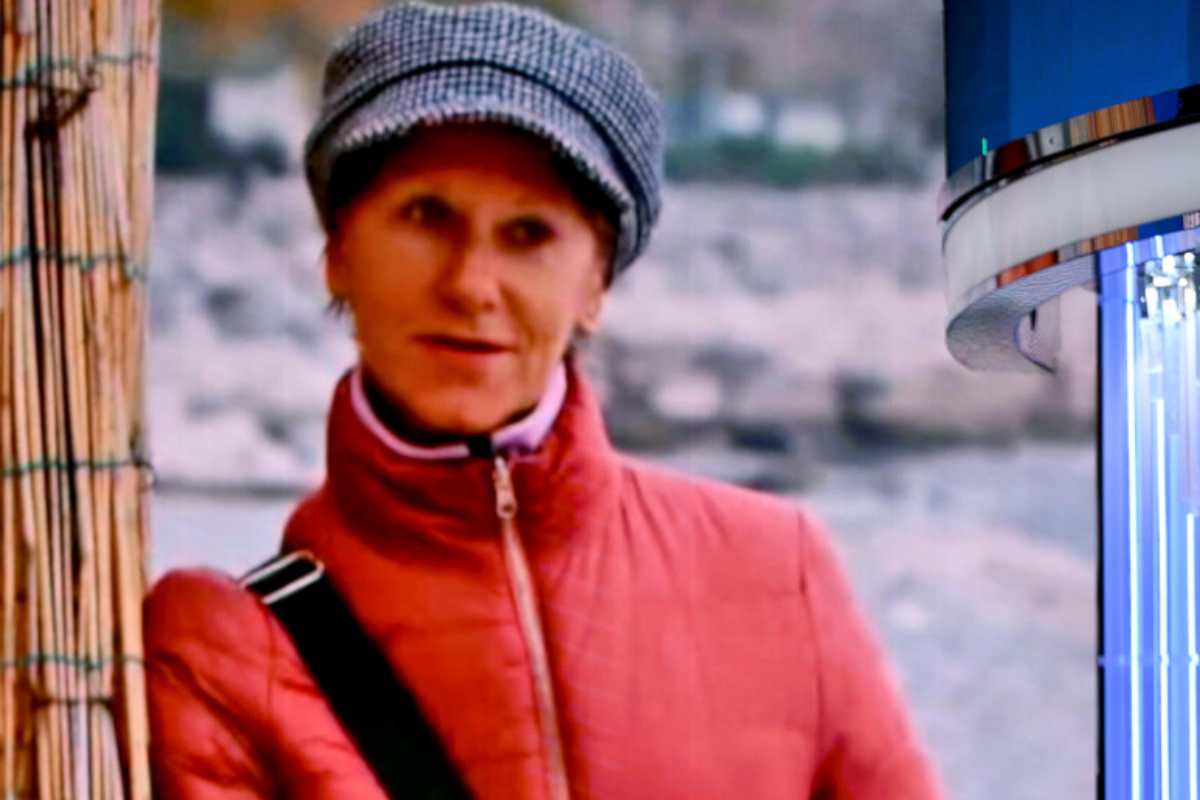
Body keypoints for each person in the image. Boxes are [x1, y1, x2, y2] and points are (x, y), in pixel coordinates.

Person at [143, 3, 943, 798]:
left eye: (529, 234)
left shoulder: (777, 571)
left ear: (595, 283)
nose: (471, 285)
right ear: (337, 252)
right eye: (426, 216)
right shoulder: (230, 657)